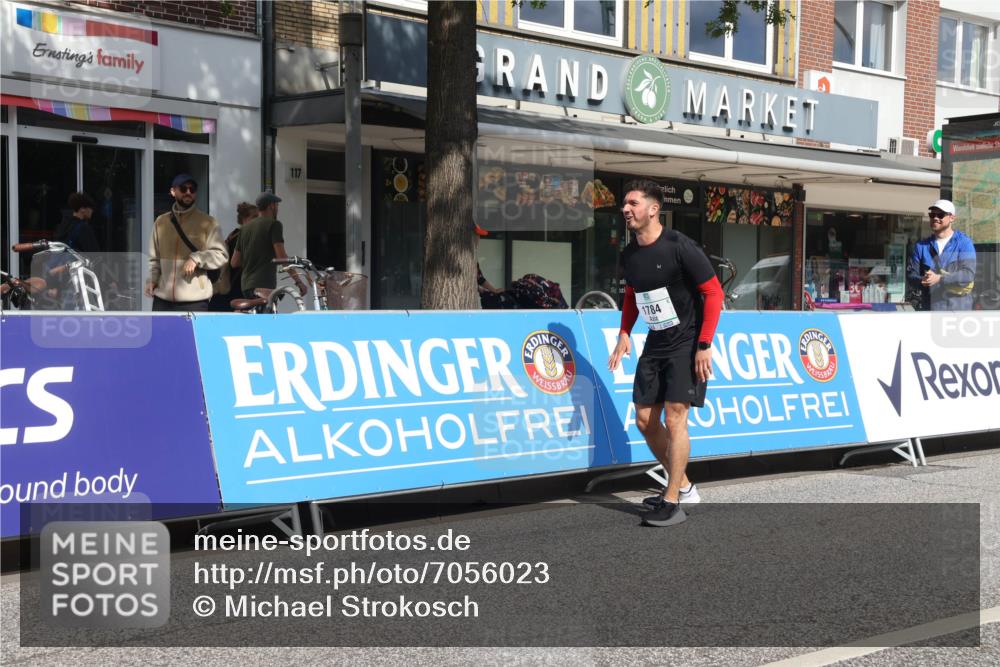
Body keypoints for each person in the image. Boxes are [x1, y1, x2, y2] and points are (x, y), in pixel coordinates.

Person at [608, 180, 724, 527]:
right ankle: (685, 486)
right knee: (645, 420)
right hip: (656, 342)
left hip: (687, 343)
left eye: (632, 203)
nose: (625, 209)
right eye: (624, 204)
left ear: (653, 209)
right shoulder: (630, 254)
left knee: (676, 419)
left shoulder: (679, 246)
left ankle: (671, 499)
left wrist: (704, 344)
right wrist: (625, 332)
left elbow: (714, 294)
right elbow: (632, 295)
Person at [144, 174, 228, 311]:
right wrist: (152, 280)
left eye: (192, 189)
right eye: (183, 189)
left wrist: (197, 258)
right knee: (160, 334)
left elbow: (221, 255)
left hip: (195, 301)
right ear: (173, 192)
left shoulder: (208, 222)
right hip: (162, 300)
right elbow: (154, 258)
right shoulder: (161, 222)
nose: (188, 192)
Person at [906, 199, 976, 311]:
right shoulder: (921, 246)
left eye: (940, 215)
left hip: (958, 311)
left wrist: (939, 279)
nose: (935, 218)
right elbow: (911, 275)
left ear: (952, 218)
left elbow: (968, 274)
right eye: (932, 214)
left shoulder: (964, 243)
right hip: (930, 309)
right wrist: (922, 280)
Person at [231, 192, 293, 298]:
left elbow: (234, 262)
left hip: (246, 286)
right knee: (270, 314)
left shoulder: (244, 229)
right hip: (264, 284)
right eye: (277, 205)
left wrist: (253, 260)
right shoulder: (274, 224)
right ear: (271, 206)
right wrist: (298, 281)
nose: (277, 208)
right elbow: (282, 258)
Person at [209, 202, 257, 311]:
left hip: (227, 291)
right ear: (244, 219)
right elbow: (236, 263)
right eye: (254, 217)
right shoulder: (243, 237)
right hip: (233, 291)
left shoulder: (234, 234)